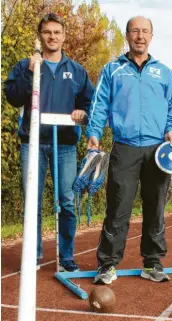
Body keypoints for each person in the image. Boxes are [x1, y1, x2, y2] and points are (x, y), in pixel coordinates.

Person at [86, 16, 172, 284]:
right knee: (118, 207)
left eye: (145, 31)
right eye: (135, 31)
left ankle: (152, 263)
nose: (140, 36)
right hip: (125, 147)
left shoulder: (163, 72)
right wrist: (93, 132)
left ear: (151, 36)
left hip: (158, 149)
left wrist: (171, 128)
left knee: (156, 206)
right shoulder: (112, 70)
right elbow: (99, 103)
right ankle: (107, 265)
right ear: (127, 35)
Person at [4, 13, 94, 272]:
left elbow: (90, 104)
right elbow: (12, 96)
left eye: (57, 32)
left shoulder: (76, 71)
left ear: (64, 36)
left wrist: (82, 114)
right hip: (31, 143)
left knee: (66, 200)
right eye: (47, 32)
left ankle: (66, 257)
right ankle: (33, 256)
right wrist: (31, 72)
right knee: (33, 200)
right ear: (40, 36)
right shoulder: (26, 65)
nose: (52, 37)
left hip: (64, 144)